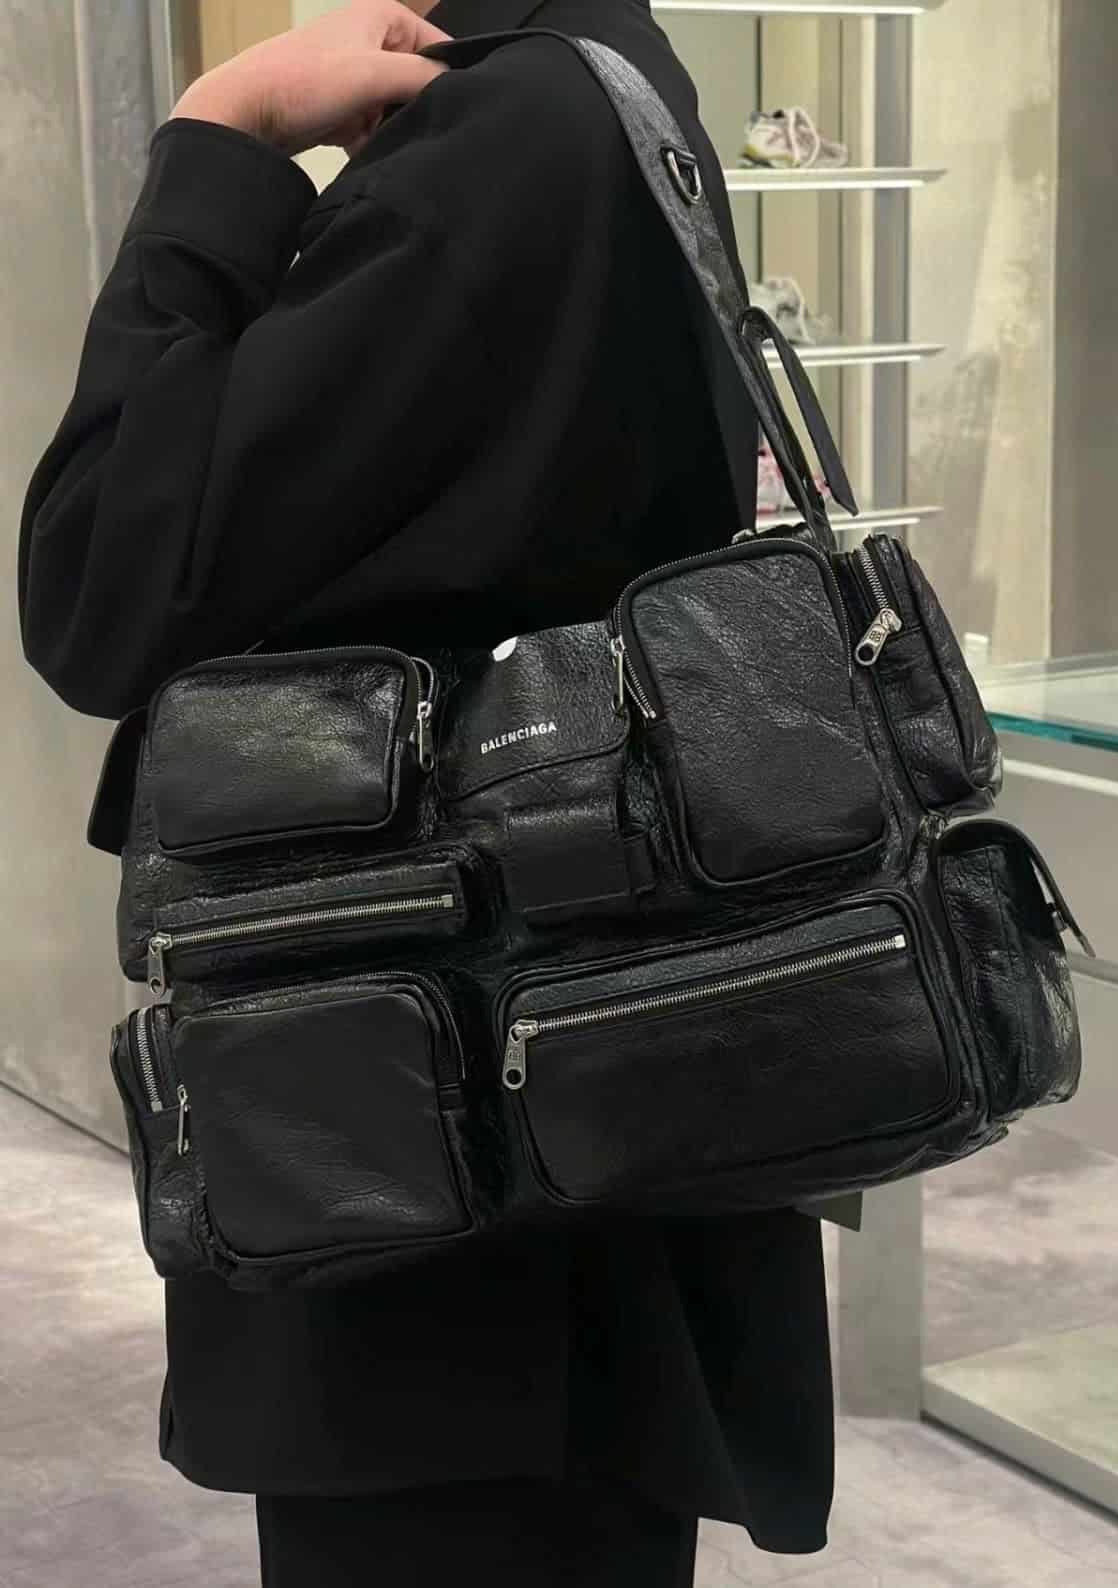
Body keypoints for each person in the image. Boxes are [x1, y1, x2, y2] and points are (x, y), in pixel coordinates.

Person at [18, 1, 835, 1582]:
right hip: (554, 1119)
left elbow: (100, 577)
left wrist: (219, 136)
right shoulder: (610, 88)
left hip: (439, 1185)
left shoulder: (511, 135)